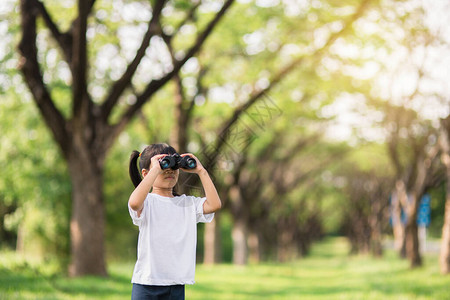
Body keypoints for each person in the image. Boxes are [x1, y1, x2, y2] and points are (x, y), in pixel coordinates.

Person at [128, 143, 222, 300]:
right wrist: (155, 169)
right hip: (146, 284)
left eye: (173, 166)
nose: (169, 170)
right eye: (163, 165)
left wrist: (201, 171)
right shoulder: (147, 202)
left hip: (175, 285)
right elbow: (134, 203)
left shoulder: (188, 204)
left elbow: (214, 205)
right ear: (146, 173)